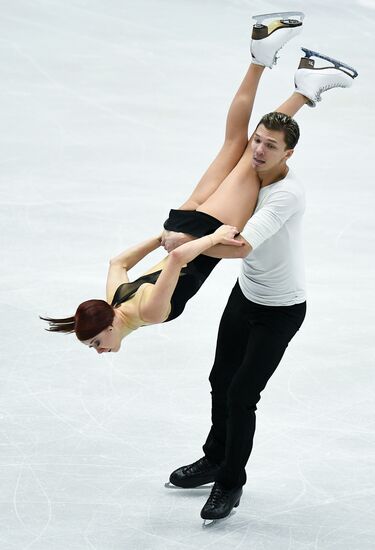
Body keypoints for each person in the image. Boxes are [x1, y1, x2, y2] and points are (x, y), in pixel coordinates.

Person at [164, 18, 358, 522]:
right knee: (218, 378)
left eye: (270, 147)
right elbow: (241, 139)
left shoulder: (285, 194)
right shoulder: (253, 167)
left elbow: (240, 245)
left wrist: (187, 248)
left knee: (241, 394)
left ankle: (230, 483)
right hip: (246, 298)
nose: (258, 149)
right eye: (259, 142)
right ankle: (214, 457)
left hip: (280, 310)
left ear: (289, 154)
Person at [40, 14, 315, 351]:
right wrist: (163, 236)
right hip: (180, 223)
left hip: (206, 229)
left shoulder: (149, 314)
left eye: (97, 342)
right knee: (236, 145)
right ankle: (278, 69)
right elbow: (118, 263)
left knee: (250, 155)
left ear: (109, 324)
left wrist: (212, 236)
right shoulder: (116, 296)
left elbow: (177, 260)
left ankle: (290, 77)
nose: (100, 349)